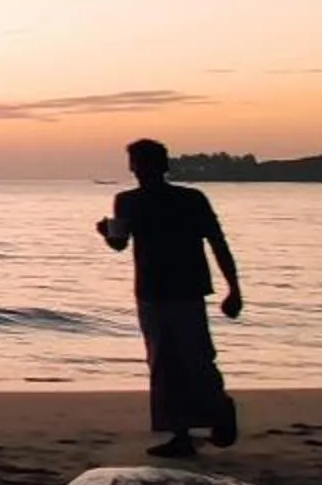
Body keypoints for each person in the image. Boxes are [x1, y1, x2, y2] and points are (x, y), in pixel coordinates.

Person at [96, 138, 243, 458]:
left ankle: (218, 408)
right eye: (137, 162)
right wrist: (108, 235)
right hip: (152, 290)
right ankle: (182, 434)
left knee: (195, 358)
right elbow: (121, 244)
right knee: (165, 362)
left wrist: (234, 288)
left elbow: (217, 242)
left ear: (162, 166)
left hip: (184, 288)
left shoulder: (189, 199)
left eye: (144, 162)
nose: (140, 169)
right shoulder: (128, 201)